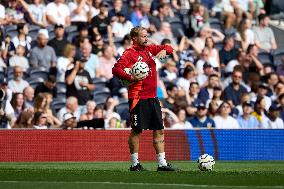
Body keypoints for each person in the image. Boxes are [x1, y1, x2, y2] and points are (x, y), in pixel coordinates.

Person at [112, 26, 178, 171]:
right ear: (134, 38)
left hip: (153, 97)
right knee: (137, 131)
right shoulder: (129, 53)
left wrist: (164, 50)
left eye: (147, 36)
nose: (146, 39)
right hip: (137, 98)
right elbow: (116, 69)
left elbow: (170, 48)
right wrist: (131, 77)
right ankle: (135, 164)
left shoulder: (150, 49)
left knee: (159, 130)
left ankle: (162, 163)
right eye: (143, 36)